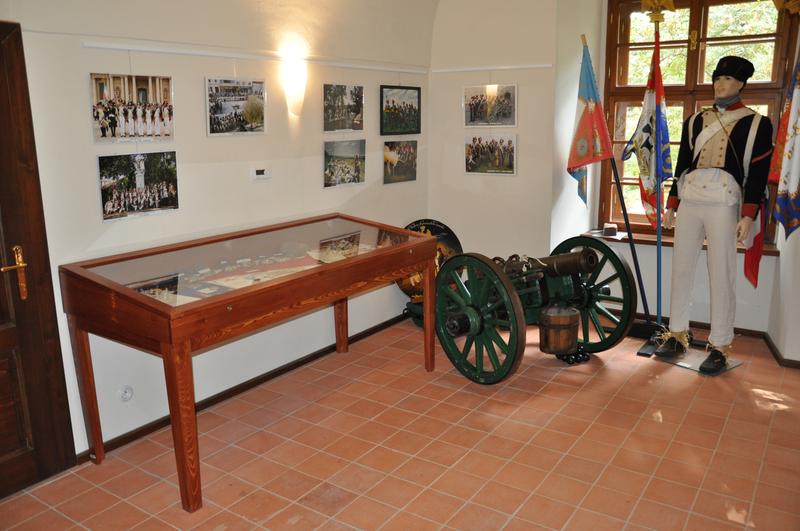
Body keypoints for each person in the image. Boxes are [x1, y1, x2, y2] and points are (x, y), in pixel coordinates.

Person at [655, 56, 773, 374]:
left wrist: (748, 215)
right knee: (681, 269)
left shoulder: (757, 123)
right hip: (691, 199)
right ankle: (677, 333)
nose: (721, 84)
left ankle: (720, 345)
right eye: (717, 79)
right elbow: (683, 165)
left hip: (724, 203)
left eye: (728, 79)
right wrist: (672, 204)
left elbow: (758, 174)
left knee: (721, 273)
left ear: (741, 84)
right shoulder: (695, 121)